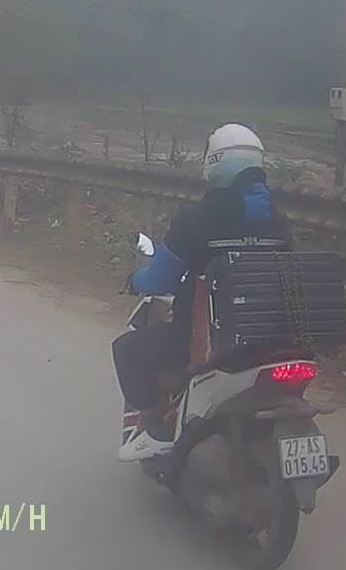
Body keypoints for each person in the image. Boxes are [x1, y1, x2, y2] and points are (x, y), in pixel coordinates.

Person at [113, 123, 292, 462]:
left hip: (210, 339)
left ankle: (157, 429)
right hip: (271, 337)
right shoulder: (279, 222)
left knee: (127, 349)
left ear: (215, 163)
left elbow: (160, 280)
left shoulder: (197, 220)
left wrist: (136, 280)